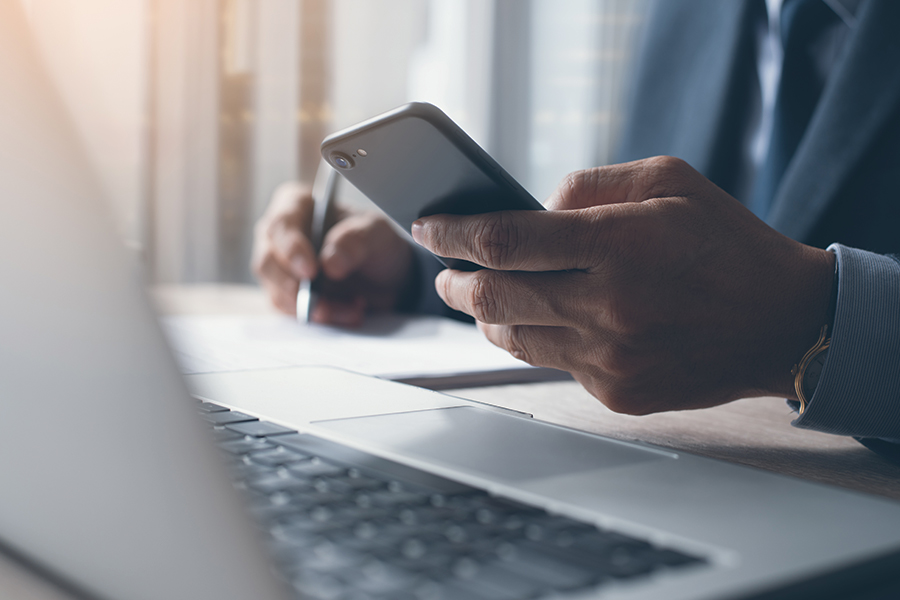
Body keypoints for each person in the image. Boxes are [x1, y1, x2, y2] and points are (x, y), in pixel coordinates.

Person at [252, 0, 900, 451]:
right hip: (693, 468)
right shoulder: (696, 11)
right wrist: (418, 269)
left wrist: (808, 325)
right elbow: (645, 274)